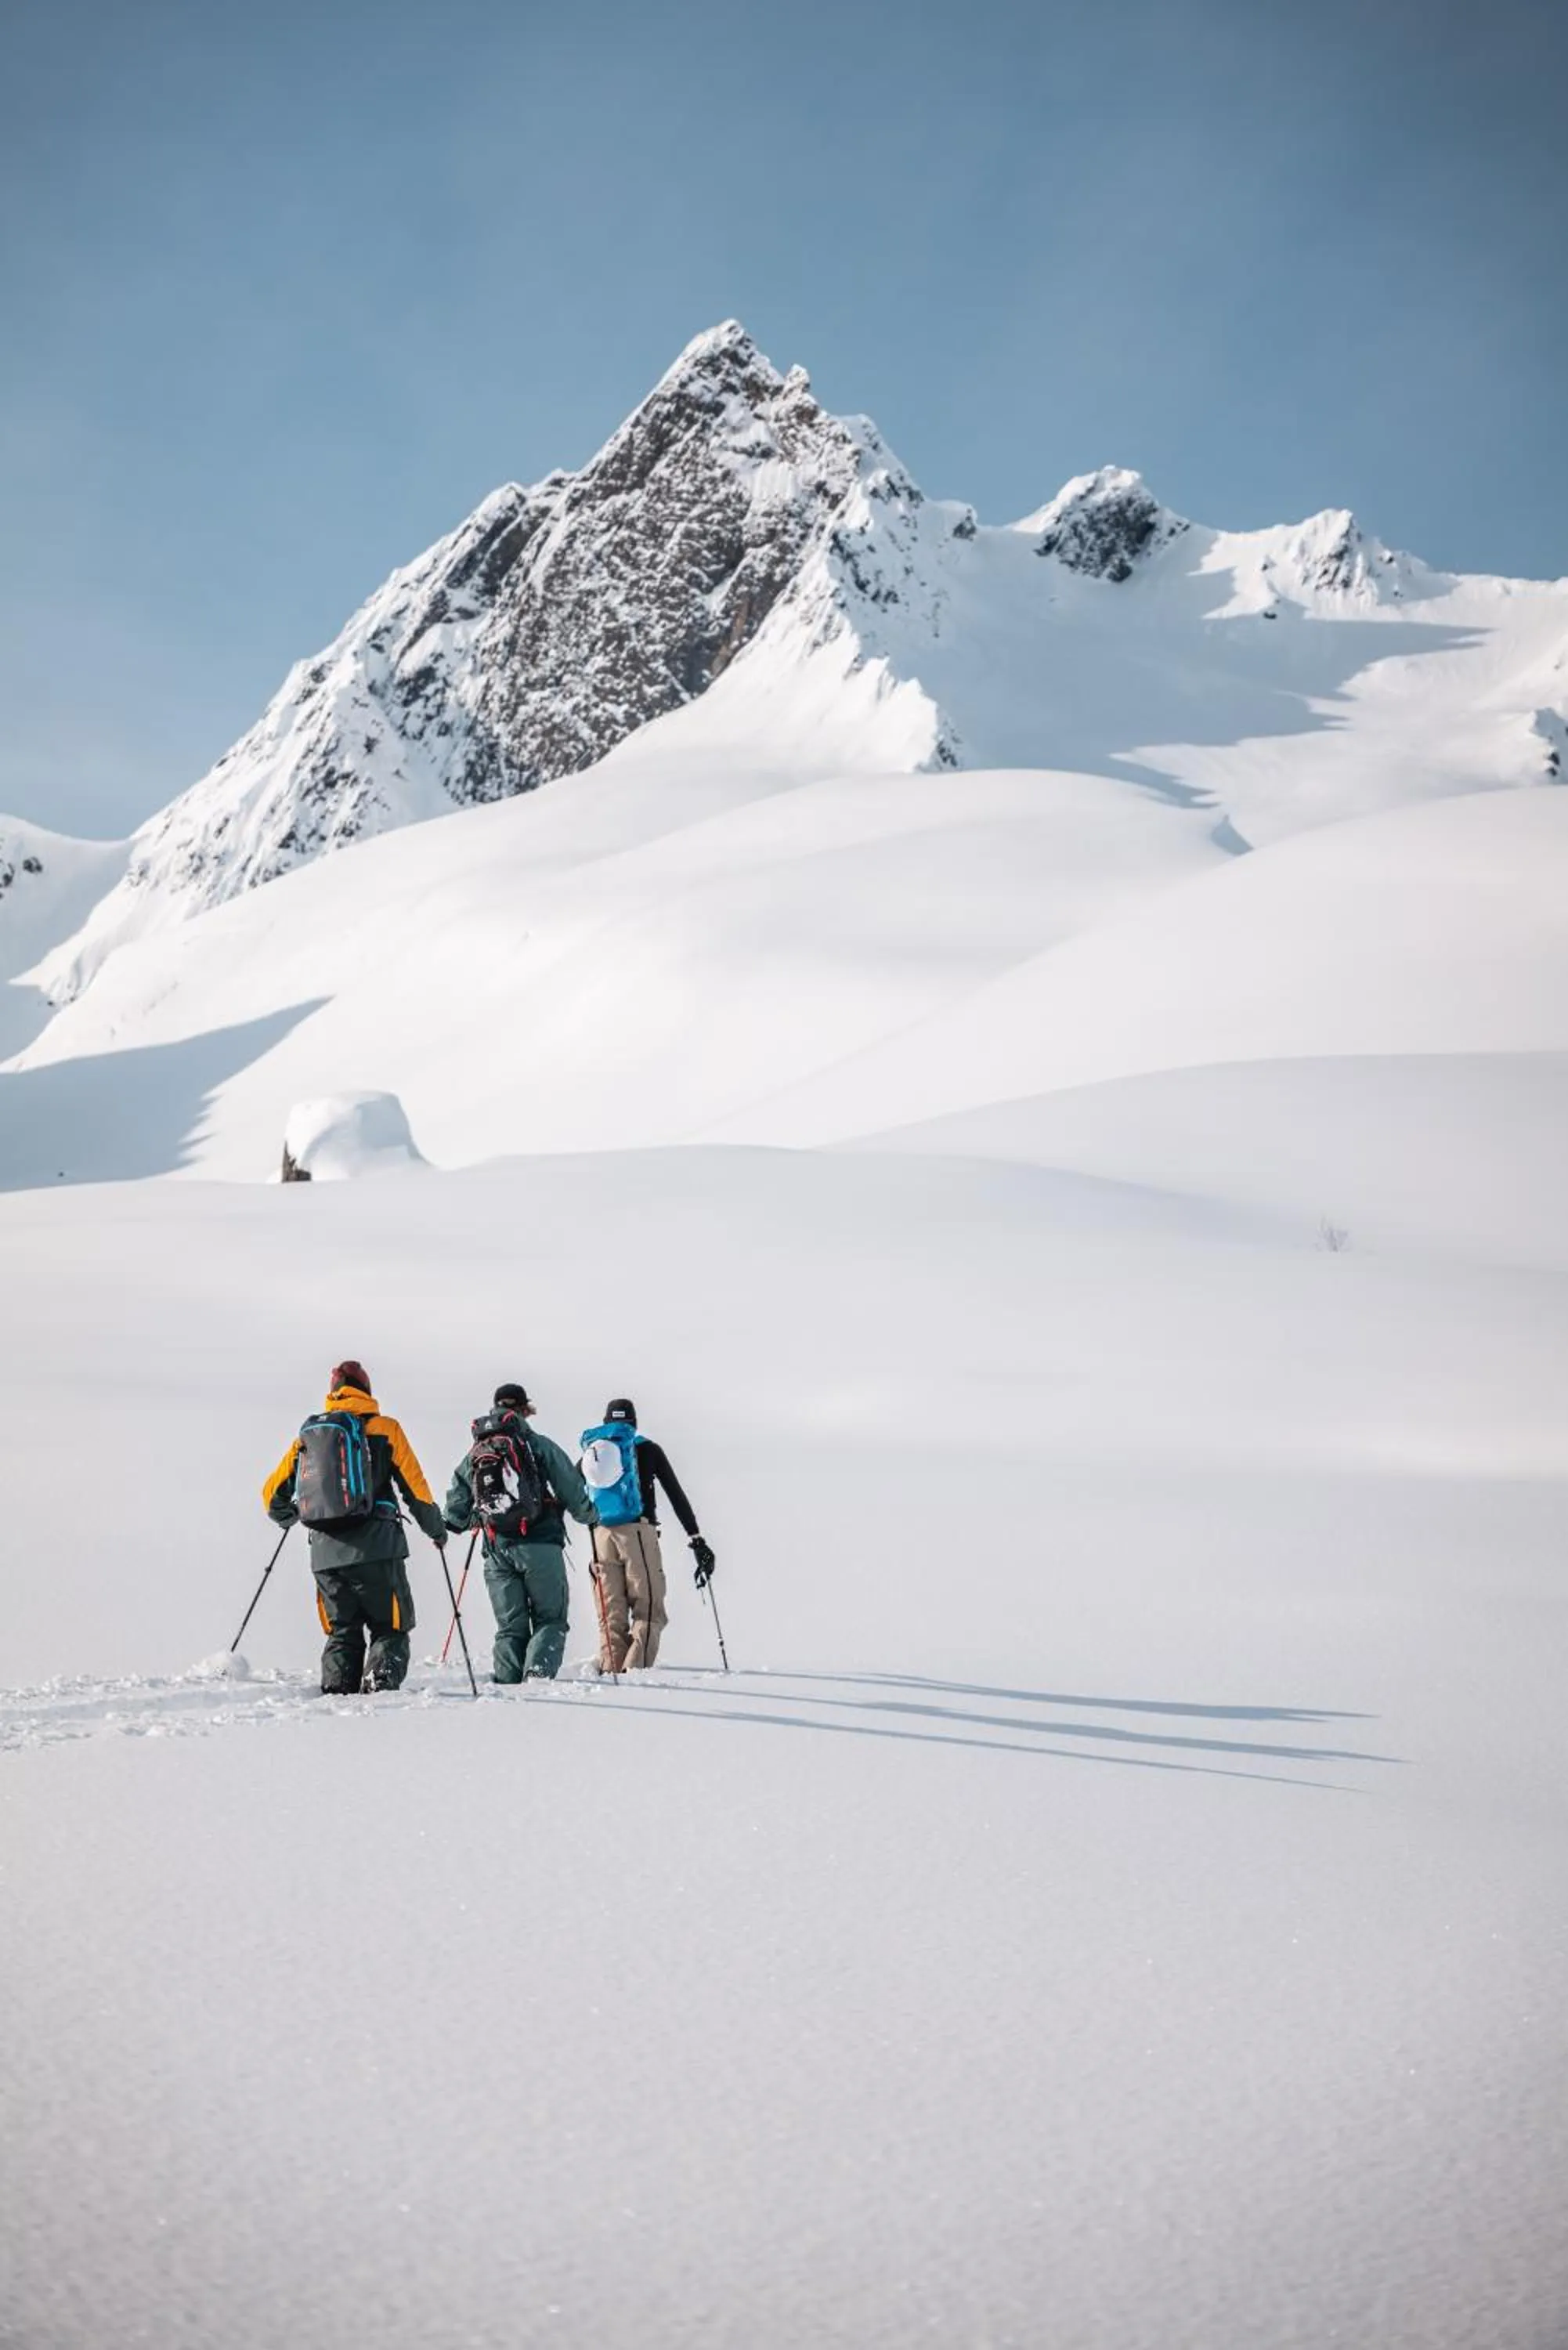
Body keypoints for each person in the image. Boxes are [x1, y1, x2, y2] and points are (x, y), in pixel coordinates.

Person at [262, 1360, 447, 1694]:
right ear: (367, 1391)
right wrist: (436, 1530)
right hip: (378, 1549)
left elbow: (271, 1497)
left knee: (342, 1630)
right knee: (390, 1627)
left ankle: (336, 1697)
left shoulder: (309, 1436)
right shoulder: (385, 1428)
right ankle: (378, 1700)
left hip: (324, 1555)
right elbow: (415, 1489)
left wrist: (292, 1516)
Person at [443, 1382, 597, 1682]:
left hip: (496, 1550)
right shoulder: (537, 1444)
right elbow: (570, 1487)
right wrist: (589, 1515)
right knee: (550, 1619)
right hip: (540, 1544)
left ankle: (507, 1689)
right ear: (525, 1409)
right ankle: (537, 1681)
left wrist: (474, 1519)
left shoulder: (476, 1451)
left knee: (510, 1628)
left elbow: (455, 1516)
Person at [579, 1398, 714, 1674]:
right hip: (638, 1533)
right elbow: (675, 1495)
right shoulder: (649, 1450)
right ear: (635, 1423)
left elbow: (569, 1488)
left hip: (600, 1535)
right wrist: (695, 1537)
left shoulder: (594, 1450)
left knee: (611, 1612)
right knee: (648, 1607)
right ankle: (634, 1676)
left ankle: (611, 1671)